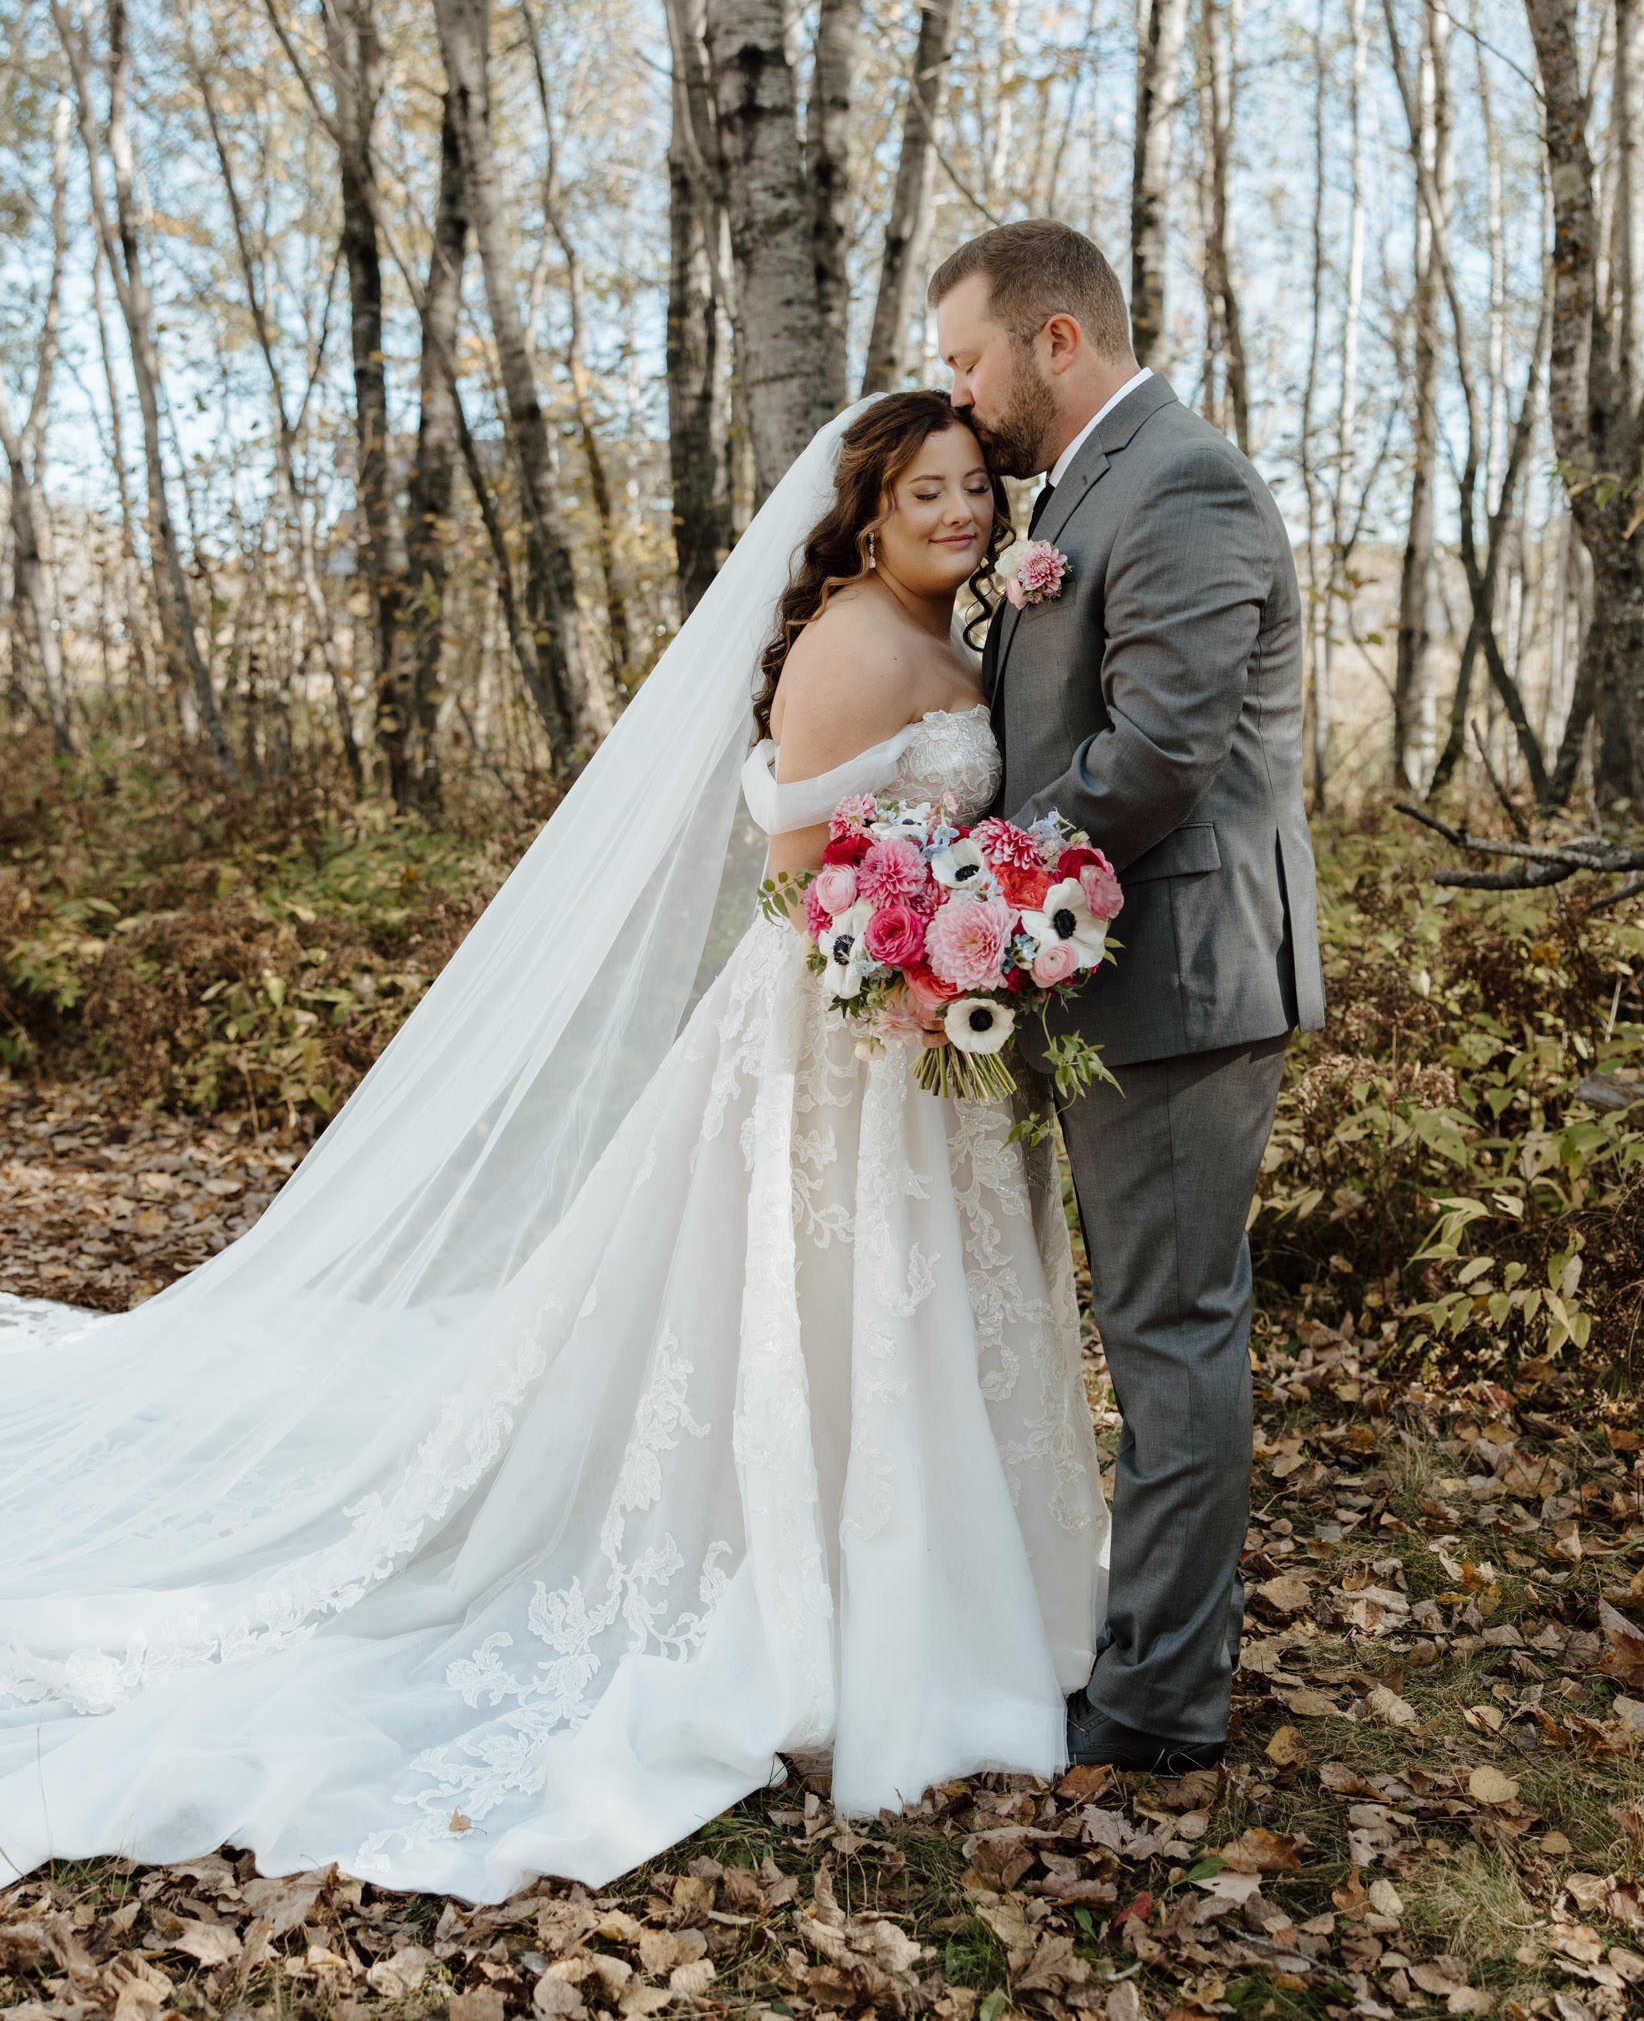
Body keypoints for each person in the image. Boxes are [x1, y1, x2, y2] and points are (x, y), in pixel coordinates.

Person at [0, 390, 1105, 1905]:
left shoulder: (955, 634)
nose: (959, 515)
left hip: (930, 1034)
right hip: (843, 1038)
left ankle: (968, 1600)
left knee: (929, 1314)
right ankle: (860, 1609)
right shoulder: (854, 640)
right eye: (926, 493)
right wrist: (914, 951)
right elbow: (795, 877)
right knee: (843, 1317)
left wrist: (975, 931)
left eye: (975, 488)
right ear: (865, 512)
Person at [936, 219, 1324, 1776]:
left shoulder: (1182, 483)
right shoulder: (1086, 491)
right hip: (1108, 970)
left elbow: (1159, 752)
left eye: (965, 358)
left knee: (1169, 1333)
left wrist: (977, 892)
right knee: (1148, 1327)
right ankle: (1140, 1641)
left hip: (1179, 976)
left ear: (1054, 341)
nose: (955, 394)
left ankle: (1162, 1701)